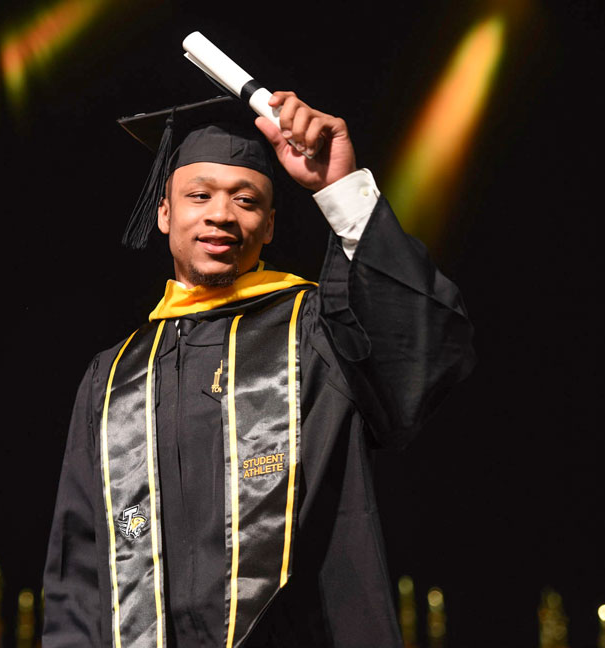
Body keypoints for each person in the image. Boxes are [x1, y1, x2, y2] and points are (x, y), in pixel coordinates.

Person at [42, 89, 476, 647]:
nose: (221, 214)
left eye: (245, 201)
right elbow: (78, 568)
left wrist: (338, 187)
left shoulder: (319, 333)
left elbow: (422, 338)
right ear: (164, 213)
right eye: (199, 195)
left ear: (269, 226)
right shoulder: (116, 376)